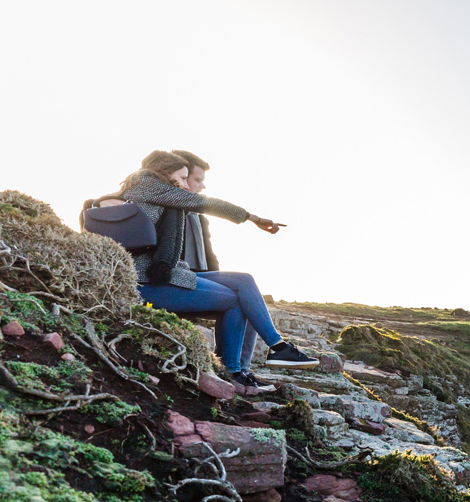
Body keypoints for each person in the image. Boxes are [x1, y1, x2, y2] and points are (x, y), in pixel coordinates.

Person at [116, 151, 318, 381]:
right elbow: (207, 204)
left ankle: (277, 348)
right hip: (148, 282)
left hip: (166, 275)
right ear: (165, 173)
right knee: (234, 299)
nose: (185, 184)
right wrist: (252, 218)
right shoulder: (151, 187)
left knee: (244, 280)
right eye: (182, 178)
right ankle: (232, 371)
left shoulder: (151, 191)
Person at [170, 149, 282, 391]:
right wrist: (252, 217)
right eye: (197, 180)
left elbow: (211, 258)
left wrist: (220, 281)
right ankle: (233, 370)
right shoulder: (168, 209)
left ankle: (242, 371)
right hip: (178, 283)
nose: (201, 187)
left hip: (202, 279)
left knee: (250, 296)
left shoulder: (199, 218)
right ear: (180, 175)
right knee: (240, 297)